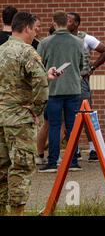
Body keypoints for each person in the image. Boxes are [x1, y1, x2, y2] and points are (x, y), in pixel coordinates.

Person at [0, 12, 60, 216]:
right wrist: (36, 110)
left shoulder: (1, 50)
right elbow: (40, 84)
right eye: (36, 29)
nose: (36, 33)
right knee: (21, 167)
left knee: (2, 168)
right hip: (19, 121)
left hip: (2, 118)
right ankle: (17, 212)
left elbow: (16, 82)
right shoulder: (27, 52)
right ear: (26, 28)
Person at [37, 11, 84, 173]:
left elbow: (39, 66)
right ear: (67, 22)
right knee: (72, 126)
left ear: (54, 23)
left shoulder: (45, 43)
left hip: (53, 90)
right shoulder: (78, 42)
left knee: (54, 126)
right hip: (73, 89)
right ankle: (72, 161)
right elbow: (82, 64)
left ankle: (52, 162)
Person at [67, 12, 105, 161]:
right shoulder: (62, 38)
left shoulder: (86, 38)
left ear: (77, 24)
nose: (67, 22)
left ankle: (93, 149)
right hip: (66, 82)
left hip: (81, 81)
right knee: (70, 115)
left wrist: (92, 67)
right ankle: (76, 149)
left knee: (86, 114)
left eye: (70, 20)